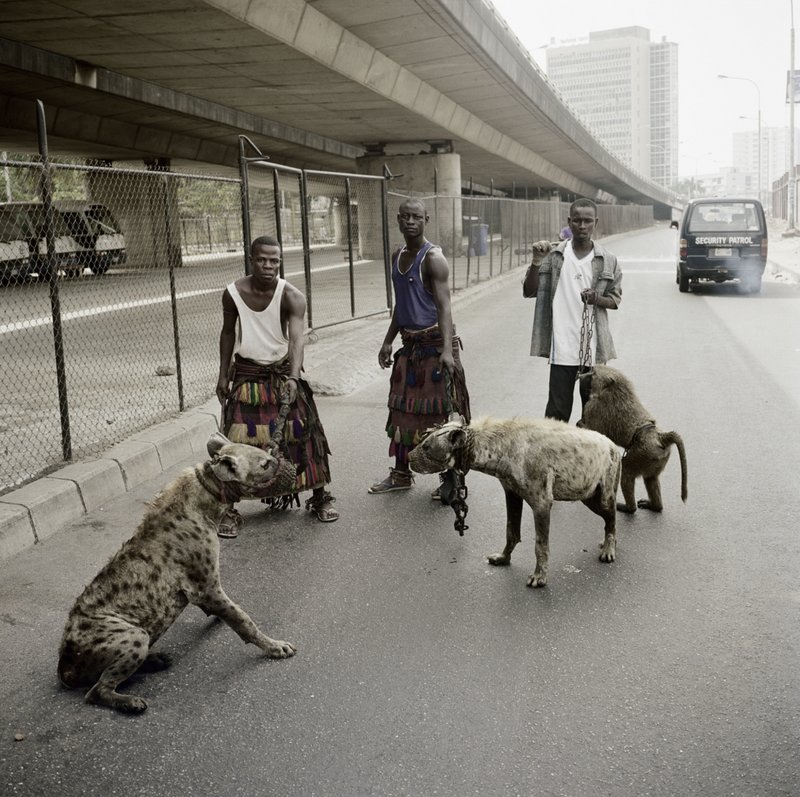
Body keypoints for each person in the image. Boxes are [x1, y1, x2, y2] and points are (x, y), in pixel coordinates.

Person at [215, 235, 338, 537]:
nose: (269, 266)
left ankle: (320, 497)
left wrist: (294, 378)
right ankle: (229, 509)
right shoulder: (232, 293)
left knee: (304, 436)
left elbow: (296, 339)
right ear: (251, 259)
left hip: (283, 372)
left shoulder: (292, 296)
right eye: (262, 260)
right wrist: (222, 374)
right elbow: (228, 333)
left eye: (275, 260)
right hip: (246, 374)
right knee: (236, 442)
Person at [369, 198, 471, 495]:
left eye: (417, 217)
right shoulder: (396, 256)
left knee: (444, 415)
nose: (411, 222)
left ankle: (452, 480)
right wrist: (388, 340)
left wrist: (448, 351)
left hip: (436, 346)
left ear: (426, 219)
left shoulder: (433, 258)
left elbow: (444, 305)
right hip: (409, 345)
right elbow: (402, 305)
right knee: (402, 412)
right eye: (405, 217)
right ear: (398, 220)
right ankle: (401, 474)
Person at [523, 198, 622, 423]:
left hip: (593, 349)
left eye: (588, 221)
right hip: (562, 349)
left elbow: (615, 300)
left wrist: (596, 298)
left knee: (593, 417)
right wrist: (537, 262)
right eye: (577, 221)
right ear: (569, 222)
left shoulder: (607, 260)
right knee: (556, 417)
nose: (582, 226)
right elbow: (530, 291)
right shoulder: (553, 255)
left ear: (595, 222)